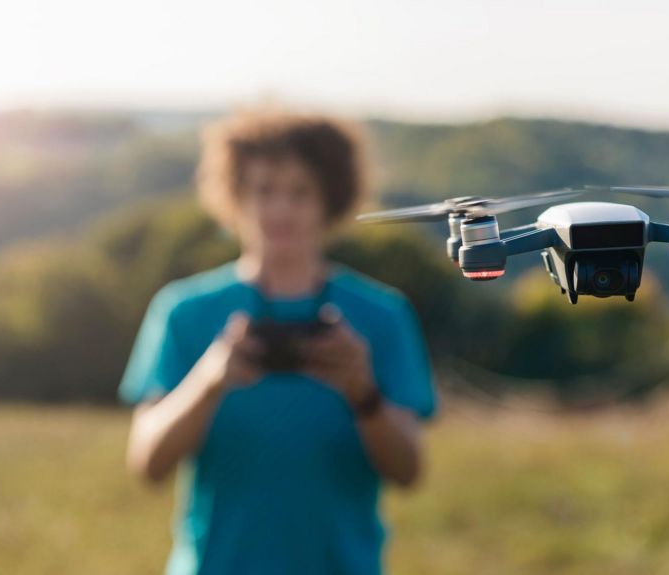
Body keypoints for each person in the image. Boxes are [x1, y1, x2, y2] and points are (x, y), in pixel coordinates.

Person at [118, 108, 437, 575]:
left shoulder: (382, 316)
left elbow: (408, 471)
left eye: (300, 192)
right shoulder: (184, 311)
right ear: (236, 195)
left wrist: (363, 394)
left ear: (330, 200)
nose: (281, 209)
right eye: (264, 190)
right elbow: (147, 463)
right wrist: (207, 381)